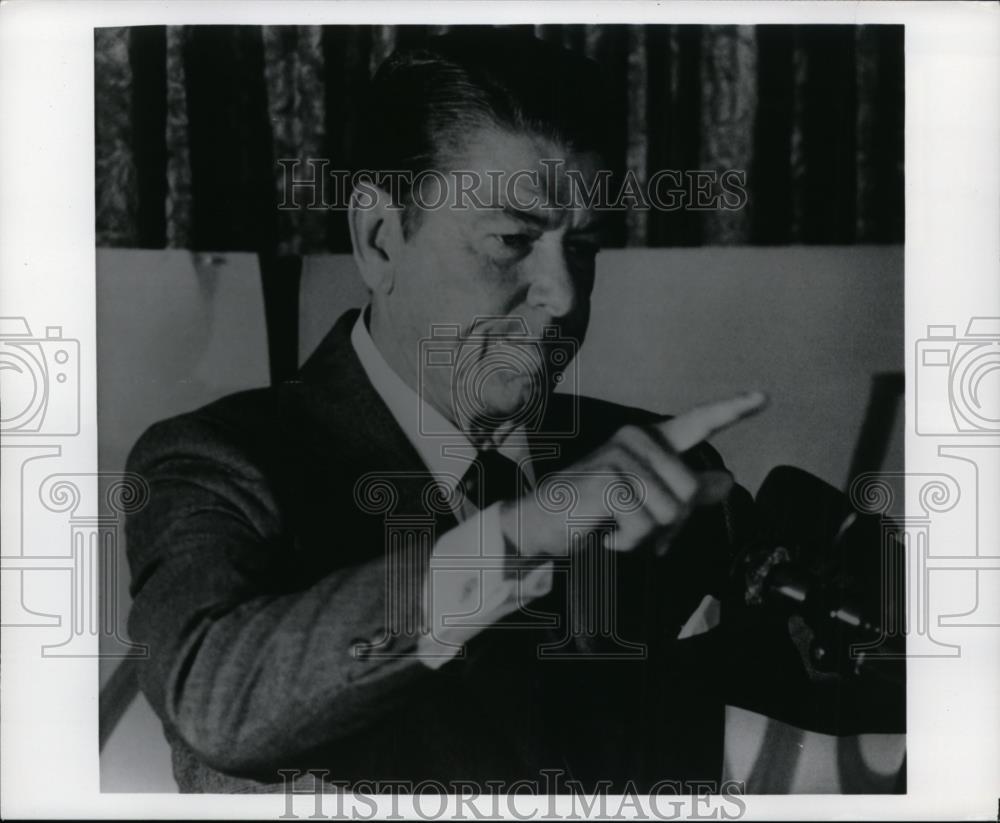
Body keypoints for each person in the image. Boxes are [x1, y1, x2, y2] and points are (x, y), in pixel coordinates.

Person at [125, 28, 793, 795]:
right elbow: (217, 701)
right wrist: (511, 538)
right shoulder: (219, 462)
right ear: (379, 239)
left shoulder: (655, 465)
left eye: (587, 248)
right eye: (512, 239)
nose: (564, 295)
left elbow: (883, 679)